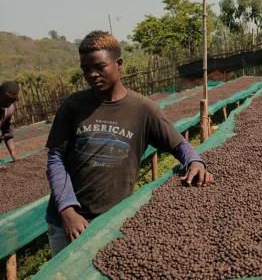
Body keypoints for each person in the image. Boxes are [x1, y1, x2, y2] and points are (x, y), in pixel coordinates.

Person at [45, 30, 214, 257]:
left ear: (119, 63)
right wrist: (67, 210)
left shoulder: (142, 109)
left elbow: (177, 144)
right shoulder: (73, 106)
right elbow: (56, 158)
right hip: (68, 222)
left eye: (99, 67)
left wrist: (194, 161)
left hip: (112, 219)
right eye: (86, 70)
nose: (92, 75)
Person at [0, 81, 20, 163]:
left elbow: (7, 132)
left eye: (12, 101)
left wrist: (14, 154)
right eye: (6, 100)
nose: (8, 103)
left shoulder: (10, 107)